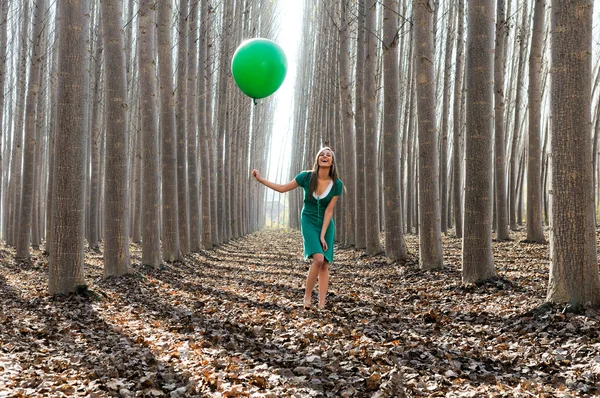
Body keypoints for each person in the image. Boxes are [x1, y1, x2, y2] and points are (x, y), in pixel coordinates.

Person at [252, 147, 344, 309]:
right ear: (317, 159)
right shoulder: (306, 177)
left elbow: (329, 210)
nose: (325, 156)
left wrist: (323, 235)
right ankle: (307, 296)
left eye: (328, 155)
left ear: (332, 161)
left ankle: (322, 303)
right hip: (308, 220)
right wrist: (260, 179)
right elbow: (282, 188)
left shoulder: (337, 184)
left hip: (326, 224)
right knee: (318, 259)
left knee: (325, 264)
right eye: (322, 154)